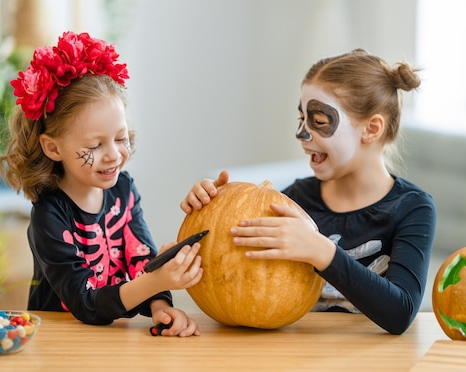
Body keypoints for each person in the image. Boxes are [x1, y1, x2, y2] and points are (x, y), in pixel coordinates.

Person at [181, 49, 436, 335]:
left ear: (371, 129)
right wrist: (208, 212)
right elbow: (234, 273)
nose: (301, 134)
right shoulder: (294, 199)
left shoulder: (412, 207)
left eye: (319, 122)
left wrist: (321, 250)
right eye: (300, 119)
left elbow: (401, 314)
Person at [0, 31, 202, 336]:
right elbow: (84, 303)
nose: (113, 155)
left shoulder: (124, 190)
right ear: (53, 148)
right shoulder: (49, 216)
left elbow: (140, 259)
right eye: (95, 146)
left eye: (120, 138)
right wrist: (157, 281)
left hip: (114, 338)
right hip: (59, 340)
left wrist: (160, 306)